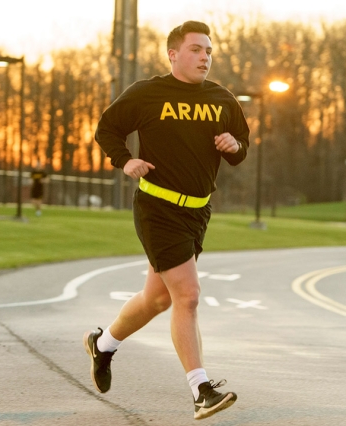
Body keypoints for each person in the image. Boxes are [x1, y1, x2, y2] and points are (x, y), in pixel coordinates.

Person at [85, 21, 249, 421]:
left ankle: (103, 345)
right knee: (187, 296)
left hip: (198, 211)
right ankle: (201, 390)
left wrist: (234, 145)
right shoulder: (147, 93)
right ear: (173, 54)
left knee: (158, 299)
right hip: (158, 208)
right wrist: (126, 161)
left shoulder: (222, 98)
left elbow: (240, 148)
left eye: (208, 51)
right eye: (195, 49)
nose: (204, 57)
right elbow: (107, 130)